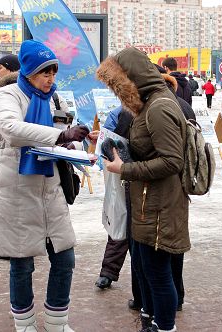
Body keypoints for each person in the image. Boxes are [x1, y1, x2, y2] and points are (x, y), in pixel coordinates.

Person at [0, 40, 90, 332]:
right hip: (16, 191)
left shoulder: (55, 99)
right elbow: (10, 129)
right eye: (45, 73)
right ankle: (25, 323)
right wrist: (59, 136)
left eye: (54, 73)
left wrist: (74, 140)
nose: (50, 79)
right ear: (29, 71)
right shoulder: (8, 95)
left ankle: (57, 322)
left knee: (65, 257)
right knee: (22, 263)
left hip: (49, 188)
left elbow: (61, 133)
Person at [97, 47, 190, 332]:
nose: (117, 94)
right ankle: (151, 322)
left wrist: (123, 168)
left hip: (160, 205)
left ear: (132, 79)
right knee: (146, 270)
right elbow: (147, 149)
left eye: (118, 86)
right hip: (147, 202)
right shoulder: (149, 104)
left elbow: (172, 160)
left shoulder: (159, 106)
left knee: (159, 275)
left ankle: (164, 327)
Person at [94, 106, 143, 312]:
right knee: (122, 224)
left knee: (132, 232)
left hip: (139, 177)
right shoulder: (125, 110)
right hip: (130, 175)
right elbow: (110, 139)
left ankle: (143, 296)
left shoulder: (151, 108)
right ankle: (109, 273)